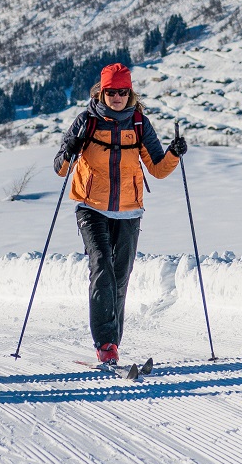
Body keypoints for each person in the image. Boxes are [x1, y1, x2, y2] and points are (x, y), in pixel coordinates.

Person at [54, 63, 186, 367]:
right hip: (91, 207)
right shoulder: (86, 121)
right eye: (111, 91)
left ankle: (113, 341)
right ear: (102, 91)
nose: (116, 97)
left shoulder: (139, 124)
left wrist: (174, 154)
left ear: (130, 93)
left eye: (122, 91)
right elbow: (60, 167)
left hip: (129, 211)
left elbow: (157, 168)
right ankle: (106, 344)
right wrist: (71, 148)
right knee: (102, 267)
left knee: (121, 277)